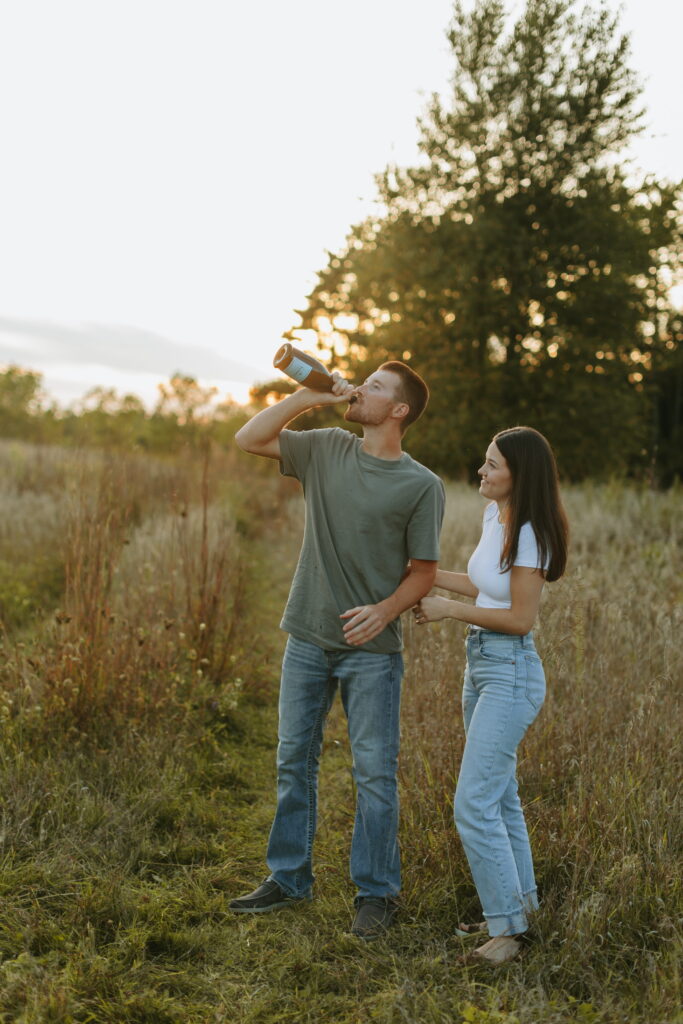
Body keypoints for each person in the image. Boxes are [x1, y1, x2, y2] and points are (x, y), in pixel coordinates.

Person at [230, 361, 445, 939]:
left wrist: (384, 610)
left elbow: (424, 573)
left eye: (375, 386)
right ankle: (288, 878)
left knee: (375, 774)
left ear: (398, 411)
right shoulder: (326, 446)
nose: (360, 388)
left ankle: (376, 894)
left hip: (373, 651)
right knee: (291, 760)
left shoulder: (422, 485)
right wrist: (309, 394)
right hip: (307, 635)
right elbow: (249, 438)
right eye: (364, 380)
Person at [413, 426, 568, 964]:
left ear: (518, 476)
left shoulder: (529, 532)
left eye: (492, 465)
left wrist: (448, 610)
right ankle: (521, 908)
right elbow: (483, 585)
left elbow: (521, 618)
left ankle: (506, 934)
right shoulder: (493, 517)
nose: (481, 471)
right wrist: (423, 580)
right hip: (480, 665)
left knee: (473, 804)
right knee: (500, 797)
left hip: (511, 672)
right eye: (484, 461)